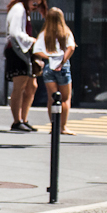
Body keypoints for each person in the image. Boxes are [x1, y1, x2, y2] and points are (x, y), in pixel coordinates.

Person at [4, 0, 47, 132]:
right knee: (20, 85)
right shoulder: (19, 9)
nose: (35, 4)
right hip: (17, 51)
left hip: (23, 51)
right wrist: (32, 41)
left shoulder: (24, 10)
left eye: (38, 2)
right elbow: (15, 33)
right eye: (33, 0)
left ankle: (24, 118)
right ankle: (17, 121)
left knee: (31, 86)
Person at [33, 7, 77, 135]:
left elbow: (36, 51)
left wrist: (50, 57)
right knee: (65, 98)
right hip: (62, 67)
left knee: (51, 98)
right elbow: (72, 48)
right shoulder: (66, 33)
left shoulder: (44, 34)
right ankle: (62, 127)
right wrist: (62, 60)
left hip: (49, 66)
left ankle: (53, 126)